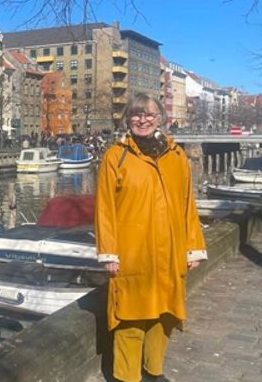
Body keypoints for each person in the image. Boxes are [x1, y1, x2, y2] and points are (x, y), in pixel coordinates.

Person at [95, 93, 207, 382]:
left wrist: (193, 245)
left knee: (165, 316)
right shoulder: (116, 156)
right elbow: (104, 207)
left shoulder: (176, 155)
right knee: (130, 319)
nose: (142, 120)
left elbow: (188, 204)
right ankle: (126, 377)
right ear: (127, 119)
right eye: (136, 114)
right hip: (133, 252)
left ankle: (153, 372)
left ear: (160, 118)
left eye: (149, 115)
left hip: (170, 251)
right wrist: (108, 252)